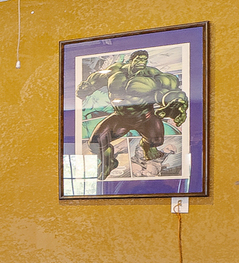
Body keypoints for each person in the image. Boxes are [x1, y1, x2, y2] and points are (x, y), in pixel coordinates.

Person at [76, 50, 188, 179]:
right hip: (121, 117)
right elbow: (94, 81)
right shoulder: (115, 72)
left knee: (155, 143)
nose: (142, 62)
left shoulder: (154, 76)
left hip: (145, 118)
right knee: (96, 143)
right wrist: (86, 88)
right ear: (131, 60)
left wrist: (176, 102)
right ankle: (109, 162)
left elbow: (170, 89)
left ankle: (146, 147)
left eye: (144, 60)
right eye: (139, 59)